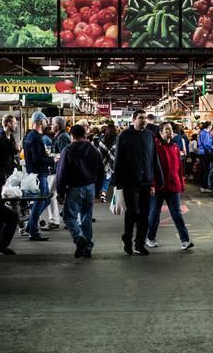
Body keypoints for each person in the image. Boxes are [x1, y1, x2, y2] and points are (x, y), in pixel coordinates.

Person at [54, 123, 105, 258]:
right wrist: (99, 190)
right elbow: (101, 171)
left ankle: (79, 238)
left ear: (72, 136)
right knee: (86, 217)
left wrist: (60, 192)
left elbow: (62, 174)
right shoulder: (94, 150)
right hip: (90, 187)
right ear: (84, 135)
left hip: (75, 188)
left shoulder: (67, 150)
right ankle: (87, 247)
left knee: (69, 216)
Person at [114, 111, 157, 255]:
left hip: (146, 182)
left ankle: (139, 244)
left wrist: (154, 181)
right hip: (130, 182)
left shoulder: (150, 136)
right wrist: (118, 183)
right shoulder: (124, 136)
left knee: (144, 214)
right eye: (140, 118)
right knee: (132, 213)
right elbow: (118, 160)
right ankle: (127, 238)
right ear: (133, 120)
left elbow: (153, 159)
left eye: (145, 118)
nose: (143, 120)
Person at [146, 122, 193, 250]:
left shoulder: (175, 147)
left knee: (177, 213)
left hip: (173, 186)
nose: (170, 132)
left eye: (171, 130)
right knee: (154, 214)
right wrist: (152, 184)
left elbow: (179, 168)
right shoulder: (154, 145)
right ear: (161, 132)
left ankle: (185, 240)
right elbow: (150, 166)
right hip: (158, 186)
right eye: (167, 130)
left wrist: (181, 183)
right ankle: (150, 238)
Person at [22, 118, 54, 241]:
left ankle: (30, 226)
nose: (46, 123)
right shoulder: (35, 138)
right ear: (40, 122)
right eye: (45, 121)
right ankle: (33, 230)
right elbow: (37, 158)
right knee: (41, 200)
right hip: (39, 173)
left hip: (35, 173)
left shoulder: (29, 136)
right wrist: (51, 160)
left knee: (45, 200)